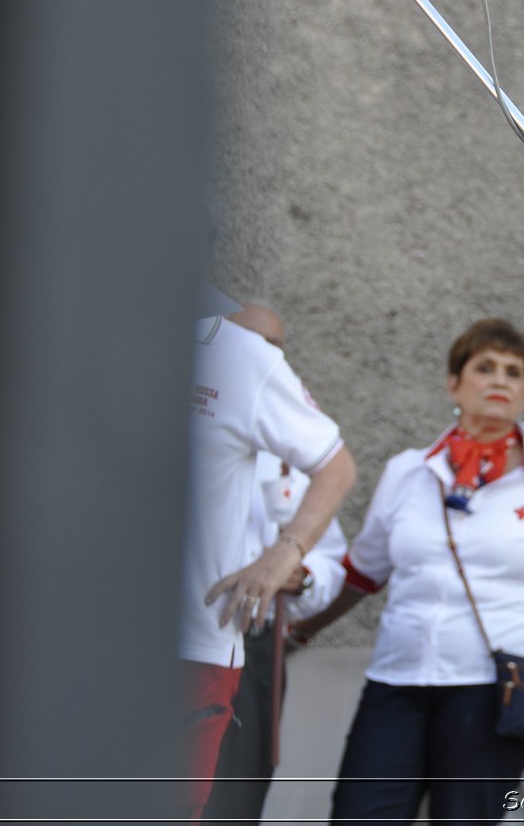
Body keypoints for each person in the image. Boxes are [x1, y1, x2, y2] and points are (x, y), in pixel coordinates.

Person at [291, 318, 524, 826]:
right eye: (485, 367)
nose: (500, 380)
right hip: (398, 679)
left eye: (514, 372)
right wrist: (301, 631)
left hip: (494, 688)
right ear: (453, 384)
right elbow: (365, 571)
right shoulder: (408, 471)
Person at [184, 289, 357, 822]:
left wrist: (289, 565)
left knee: (231, 797)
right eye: (258, 340)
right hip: (106, 637)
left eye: (275, 346)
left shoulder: (247, 375)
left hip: (230, 633)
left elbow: (333, 555)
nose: (267, 355)